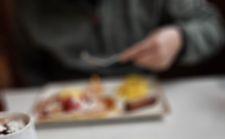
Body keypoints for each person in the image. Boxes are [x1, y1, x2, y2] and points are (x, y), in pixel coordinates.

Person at [15, 0, 225, 85]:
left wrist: (181, 39)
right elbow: (27, 63)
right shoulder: (30, 7)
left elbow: (212, 25)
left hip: (143, 91)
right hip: (64, 94)